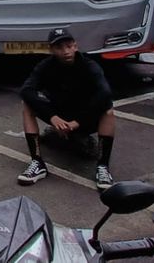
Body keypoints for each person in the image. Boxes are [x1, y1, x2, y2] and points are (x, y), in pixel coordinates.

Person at [17, 28, 117, 191]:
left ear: (75, 46)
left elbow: (105, 93)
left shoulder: (89, 66)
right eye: (59, 48)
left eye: (69, 46)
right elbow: (26, 90)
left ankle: (103, 167)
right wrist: (52, 118)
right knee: (26, 105)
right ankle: (37, 162)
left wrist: (78, 122)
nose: (65, 51)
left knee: (108, 109)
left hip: (83, 118)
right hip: (59, 118)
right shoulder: (45, 66)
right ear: (52, 50)